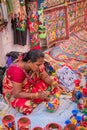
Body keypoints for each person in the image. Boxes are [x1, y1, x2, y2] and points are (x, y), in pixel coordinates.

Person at [3, 49, 63, 115]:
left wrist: (54, 83)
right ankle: (38, 98)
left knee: (53, 80)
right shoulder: (17, 71)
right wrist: (37, 95)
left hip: (31, 86)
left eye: (41, 64)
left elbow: (45, 76)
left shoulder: (37, 64)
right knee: (26, 106)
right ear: (29, 62)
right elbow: (17, 93)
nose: (40, 66)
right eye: (38, 65)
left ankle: (39, 97)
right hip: (17, 92)